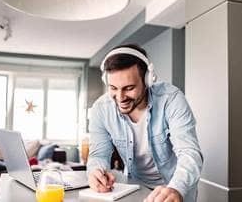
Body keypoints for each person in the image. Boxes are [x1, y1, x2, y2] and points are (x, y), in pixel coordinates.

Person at [87, 44, 203, 202]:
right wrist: (96, 171)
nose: (120, 97)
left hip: (174, 188)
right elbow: (98, 154)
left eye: (129, 88)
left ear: (148, 80)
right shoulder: (100, 109)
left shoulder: (171, 99)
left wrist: (176, 189)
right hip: (135, 189)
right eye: (113, 88)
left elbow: (190, 153)